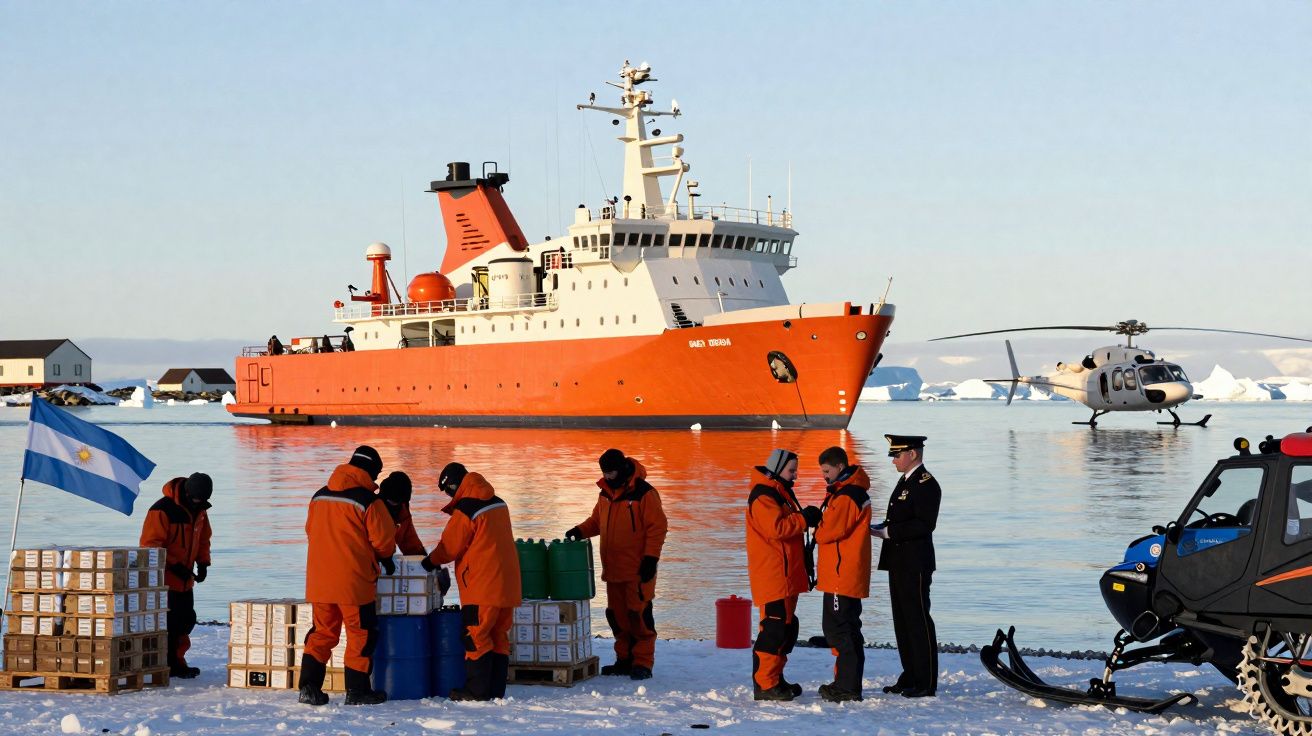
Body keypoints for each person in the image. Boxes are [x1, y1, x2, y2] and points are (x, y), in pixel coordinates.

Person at [299, 445, 396, 706]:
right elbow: (384, 542)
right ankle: (357, 690)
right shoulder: (368, 501)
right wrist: (384, 557)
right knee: (360, 635)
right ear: (371, 472)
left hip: (319, 582)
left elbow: (310, 530)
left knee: (322, 633)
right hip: (354, 583)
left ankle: (308, 688)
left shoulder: (319, 496)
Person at [565, 449, 668, 680]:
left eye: (611, 473)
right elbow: (597, 522)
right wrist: (579, 531)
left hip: (639, 570)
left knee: (639, 617)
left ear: (621, 469)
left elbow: (658, 528)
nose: (608, 477)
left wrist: (651, 559)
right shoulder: (605, 493)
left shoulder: (645, 493)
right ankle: (624, 660)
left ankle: (642, 663)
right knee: (618, 618)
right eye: (604, 473)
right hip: (613, 571)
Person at [422, 463, 520, 701]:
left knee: (475, 635)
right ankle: (495, 691)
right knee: (498, 635)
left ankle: (476, 692)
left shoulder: (467, 508)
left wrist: (430, 561)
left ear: (453, 485)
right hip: (508, 584)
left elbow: (450, 546)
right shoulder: (498, 502)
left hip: (482, 585)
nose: (449, 496)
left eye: (447, 490)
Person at [746, 449, 821, 701]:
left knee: (786, 628)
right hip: (773, 575)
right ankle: (765, 684)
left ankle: (775, 678)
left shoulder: (778, 492)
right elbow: (776, 529)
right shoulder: (763, 495)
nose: (795, 475)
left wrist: (802, 518)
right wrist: (803, 519)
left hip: (786, 575)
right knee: (774, 628)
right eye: (792, 470)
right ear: (778, 470)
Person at [871, 435, 941, 698]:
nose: (893, 461)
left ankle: (925, 681)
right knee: (902, 621)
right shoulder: (906, 481)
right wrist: (882, 528)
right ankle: (910, 674)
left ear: (912, 454)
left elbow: (925, 524)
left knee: (918, 620)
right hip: (898, 561)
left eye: (897, 455)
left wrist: (889, 532)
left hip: (915, 563)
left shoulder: (926, 484)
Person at [139, 472, 213, 679]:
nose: (198, 502)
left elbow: (203, 538)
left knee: (186, 621)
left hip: (186, 580)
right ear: (187, 493)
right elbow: (149, 546)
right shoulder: (162, 510)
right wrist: (172, 566)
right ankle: (167, 663)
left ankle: (178, 661)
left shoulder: (200, 510)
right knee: (169, 624)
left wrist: (203, 563)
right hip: (165, 580)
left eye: (202, 499)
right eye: (196, 499)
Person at [814, 446, 872, 703]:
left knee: (840, 629)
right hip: (844, 572)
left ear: (839, 466)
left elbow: (828, 532)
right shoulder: (849, 492)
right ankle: (846, 683)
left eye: (827, 471)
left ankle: (847, 686)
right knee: (844, 627)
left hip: (842, 573)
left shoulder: (848, 495)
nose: (824, 476)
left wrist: (816, 524)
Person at [380, 472, 426, 556]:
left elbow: (410, 542)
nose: (396, 506)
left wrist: (423, 558)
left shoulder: (403, 510)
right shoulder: (372, 510)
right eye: (392, 502)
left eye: (399, 502)